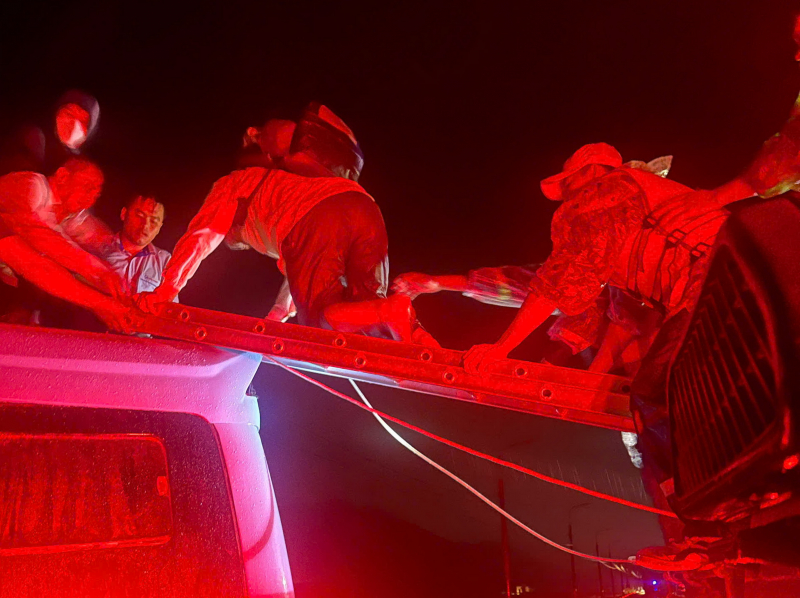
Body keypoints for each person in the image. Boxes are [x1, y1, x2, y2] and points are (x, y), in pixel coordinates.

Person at [462, 143, 727, 375]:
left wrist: (500, 348)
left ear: (592, 171)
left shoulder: (608, 191)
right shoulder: (628, 218)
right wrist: (595, 376)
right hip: (720, 286)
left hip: (718, 279)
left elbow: (561, 280)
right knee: (657, 385)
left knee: (662, 387)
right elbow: (626, 317)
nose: (567, 198)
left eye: (568, 184)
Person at [135, 164, 416, 341]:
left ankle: (391, 307)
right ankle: (425, 343)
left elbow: (201, 237)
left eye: (236, 239)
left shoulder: (231, 186)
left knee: (321, 323)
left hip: (321, 216)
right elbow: (299, 269)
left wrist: (165, 290)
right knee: (366, 313)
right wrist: (277, 314)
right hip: (365, 207)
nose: (233, 242)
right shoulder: (278, 202)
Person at [0, 158, 128, 330]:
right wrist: (97, 273)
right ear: (62, 176)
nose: (91, 197)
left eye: (96, 194)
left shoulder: (69, 218)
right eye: (87, 186)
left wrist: (104, 298)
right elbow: (37, 254)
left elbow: (45, 267)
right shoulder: (32, 185)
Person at [100, 194, 171, 295]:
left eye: (153, 221)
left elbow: (170, 305)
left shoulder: (165, 261)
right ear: (124, 214)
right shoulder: (99, 246)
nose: (145, 225)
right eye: (140, 216)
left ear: (160, 227)